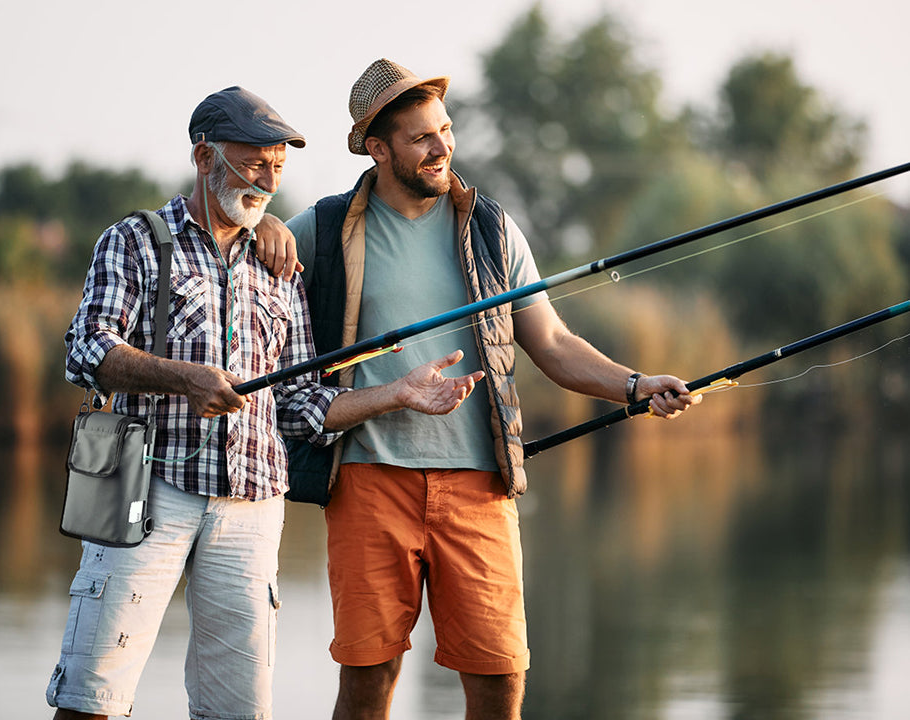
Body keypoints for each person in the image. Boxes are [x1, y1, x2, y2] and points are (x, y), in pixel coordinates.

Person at [45, 85, 484, 720]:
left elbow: (301, 404)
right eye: (253, 162)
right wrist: (185, 378)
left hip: (253, 504)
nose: (268, 179)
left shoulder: (281, 260)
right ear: (204, 158)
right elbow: (84, 350)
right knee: (92, 697)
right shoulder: (135, 240)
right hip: (144, 492)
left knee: (239, 712)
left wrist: (398, 395)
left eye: (278, 164)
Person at [284, 59, 702, 720]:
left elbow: (554, 344)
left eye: (445, 129)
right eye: (421, 137)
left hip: (480, 486)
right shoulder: (322, 228)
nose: (442, 146)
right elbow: (248, 280)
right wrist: (271, 239)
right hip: (368, 482)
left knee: (500, 677)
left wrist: (634, 383)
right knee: (371, 678)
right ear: (378, 147)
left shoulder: (492, 227)